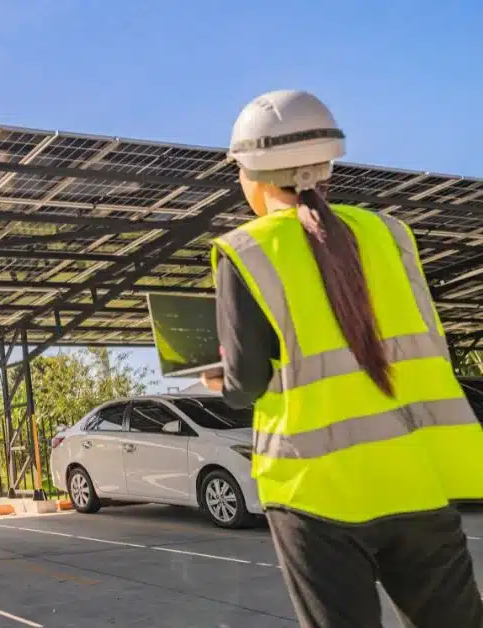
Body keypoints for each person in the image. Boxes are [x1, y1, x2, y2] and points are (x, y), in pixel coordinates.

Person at [201, 89, 483, 628]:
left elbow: (245, 384)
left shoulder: (247, 250)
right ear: (328, 162)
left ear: (253, 174)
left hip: (316, 490)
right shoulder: (391, 234)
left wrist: (222, 378)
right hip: (418, 476)